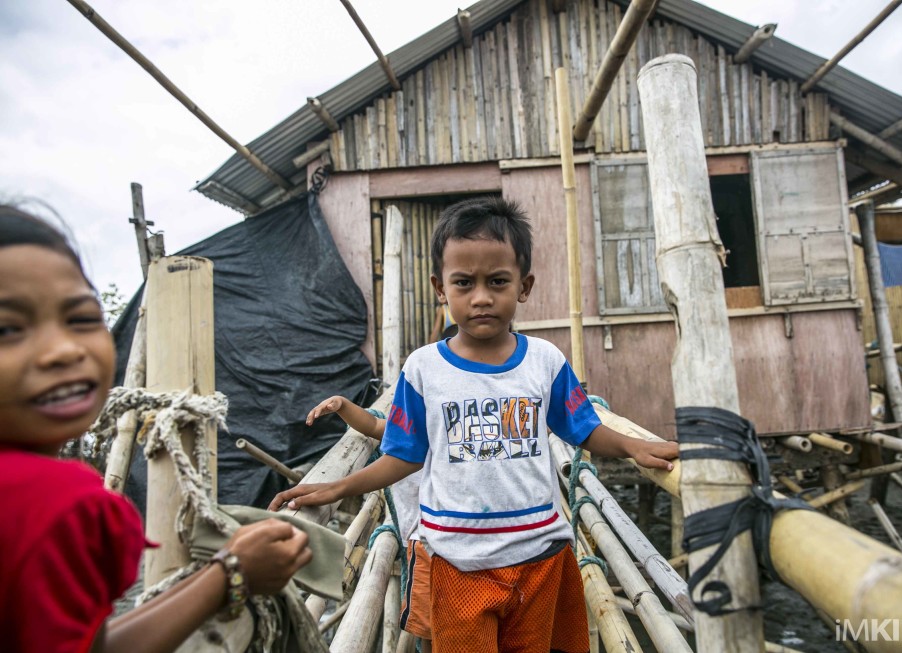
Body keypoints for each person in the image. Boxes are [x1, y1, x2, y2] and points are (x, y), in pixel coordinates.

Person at [271, 197, 679, 653]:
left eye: (497, 282)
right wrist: (335, 488)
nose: (481, 297)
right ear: (440, 288)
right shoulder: (423, 368)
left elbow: (581, 428)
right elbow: (405, 454)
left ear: (524, 286)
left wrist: (632, 447)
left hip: (540, 553)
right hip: (457, 561)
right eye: (464, 283)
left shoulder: (544, 361)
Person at [0, 203, 313, 653]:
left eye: (82, 319)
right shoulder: (55, 502)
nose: (61, 350)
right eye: (9, 328)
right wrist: (233, 575)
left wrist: (224, 568)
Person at [305, 396, 433, 653]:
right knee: (429, 630)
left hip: (445, 545)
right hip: (424, 547)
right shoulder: (420, 425)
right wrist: (342, 405)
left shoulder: (442, 427)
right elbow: (374, 424)